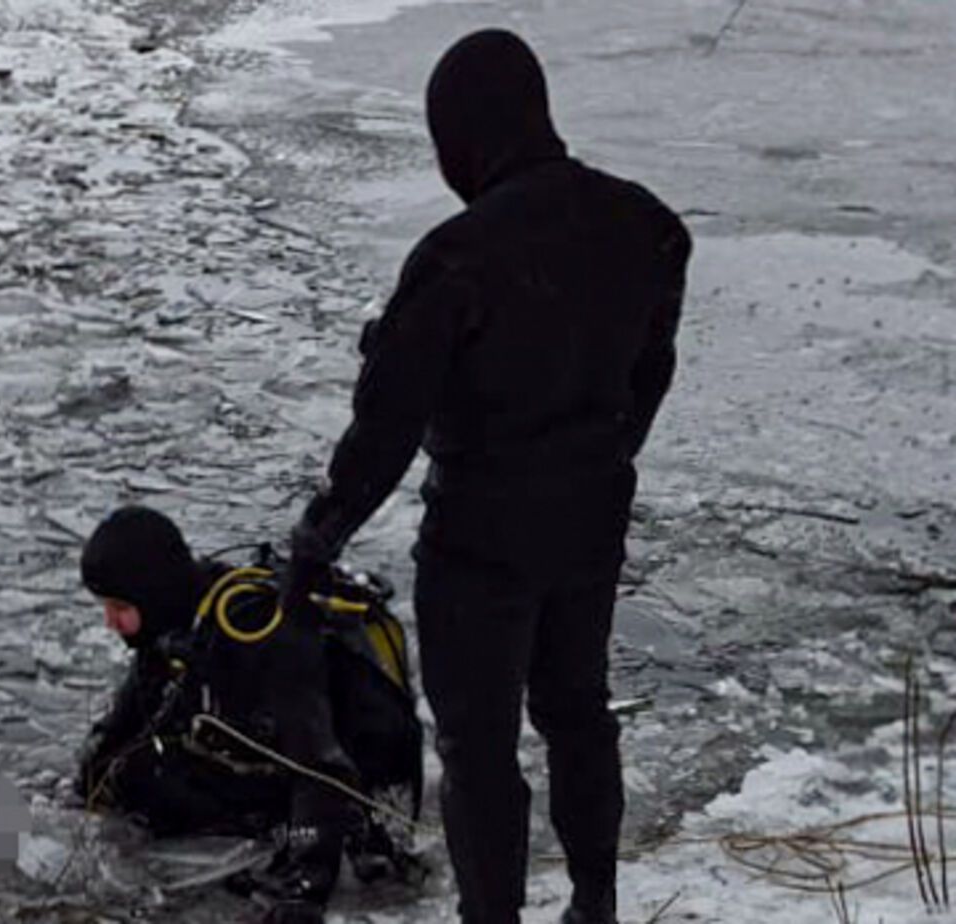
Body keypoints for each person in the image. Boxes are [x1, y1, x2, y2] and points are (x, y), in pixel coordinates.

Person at [279, 29, 691, 924]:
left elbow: (386, 427)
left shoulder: (456, 258)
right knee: (578, 711)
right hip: (587, 521)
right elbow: (646, 378)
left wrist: (318, 539)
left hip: (479, 542)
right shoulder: (650, 227)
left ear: (466, 133)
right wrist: (597, 457)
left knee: (478, 750)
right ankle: (596, 903)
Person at [75, 506, 422, 924]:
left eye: (118, 607)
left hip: (352, 787)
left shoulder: (255, 633)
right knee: (142, 775)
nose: (109, 622)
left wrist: (304, 892)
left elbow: (321, 768)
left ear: (151, 593)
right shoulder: (180, 622)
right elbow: (125, 728)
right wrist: (85, 788)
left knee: (162, 784)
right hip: (288, 767)